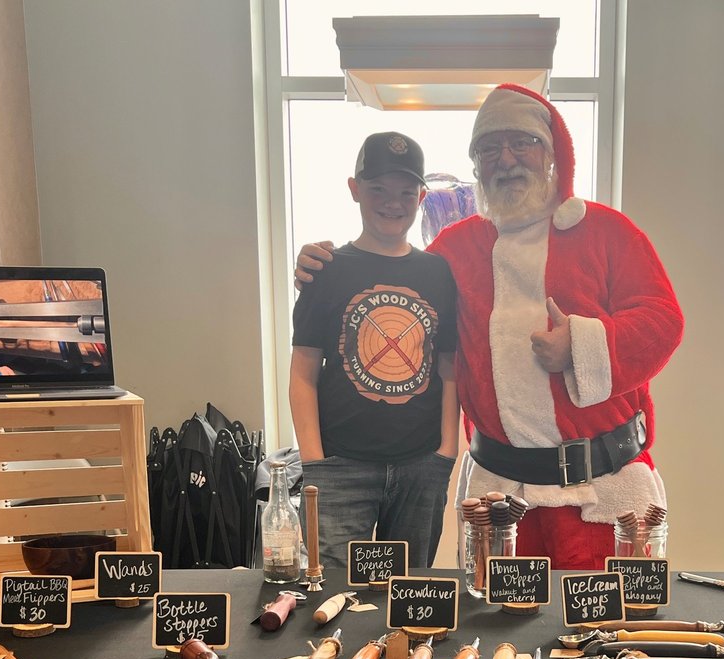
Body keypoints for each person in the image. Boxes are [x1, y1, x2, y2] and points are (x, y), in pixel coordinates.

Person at [299, 85, 684, 569]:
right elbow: (390, 278)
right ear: (476, 165)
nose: (506, 159)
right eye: (489, 148)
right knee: (497, 634)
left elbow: (662, 320)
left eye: (521, 143)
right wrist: (319, 265)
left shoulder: (607, 231)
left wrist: (584, 345)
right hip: (500, 499)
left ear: (550, 154)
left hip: (601, 495)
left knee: (600, 638)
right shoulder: (454, 248)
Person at [290, 131, 459, 573]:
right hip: (339, 466)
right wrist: (315, 466)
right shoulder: (325, 270)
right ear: (354, 189)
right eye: (378, 189)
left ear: (421, 197)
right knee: (332, 599)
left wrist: (446, 451)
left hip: (422, 465)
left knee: (410, 600)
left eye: (406, 192)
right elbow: (302, 374)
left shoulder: (438, 272)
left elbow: (448, 368)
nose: (393, 202)